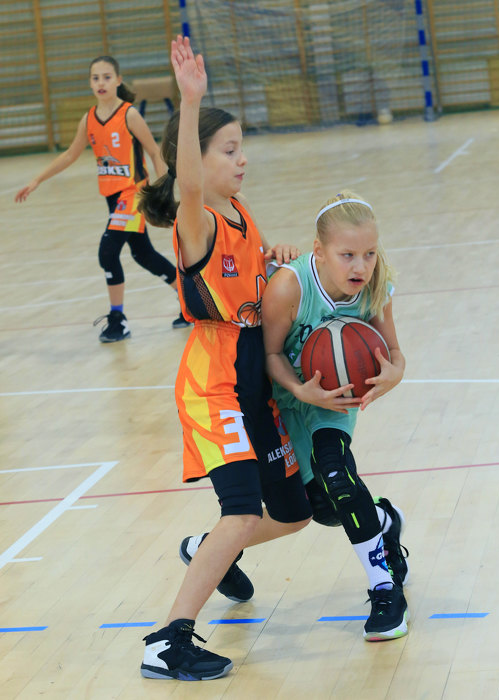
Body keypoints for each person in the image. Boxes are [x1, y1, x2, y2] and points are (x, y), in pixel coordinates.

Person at [137, 35, 312, 682]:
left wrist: (274, 262)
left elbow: (249, 279)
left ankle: (205, 549)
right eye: (229, 150)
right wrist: (189, 102)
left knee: (291, 513)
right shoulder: (199, 220)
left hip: (252, 376)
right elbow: (186, 185)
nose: (242, 160)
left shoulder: (239, 211)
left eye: (242, 148)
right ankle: (167, 642)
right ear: (199, 159)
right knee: (240, 510)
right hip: (214, 382)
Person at [261, 191, 410, 642]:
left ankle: (385, 589)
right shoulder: (290, 286)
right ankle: (384, 520)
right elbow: (271, 354)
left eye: (369, 253)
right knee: (324, 509)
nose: (360, 266)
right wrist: (298, 389)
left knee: (338, 476)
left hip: (337, 402)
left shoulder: (375, 286)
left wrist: (393, 374)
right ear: (320, 251)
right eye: (348, 255)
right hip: (290, 397)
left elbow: (395, 352)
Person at [14, 55, 190, 342]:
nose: (101, 82)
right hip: (112, 197)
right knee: (143, 254)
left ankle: (118, 320)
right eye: (95, 78)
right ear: (90, 83)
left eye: (107, 77)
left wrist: (162, 189)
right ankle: (189, 299)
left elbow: (153, 150)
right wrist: (37, 180)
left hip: (133, 193)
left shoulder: (129, 115)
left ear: (118, 80)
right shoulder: (89, 119)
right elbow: (69, 155)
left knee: (107, 252)